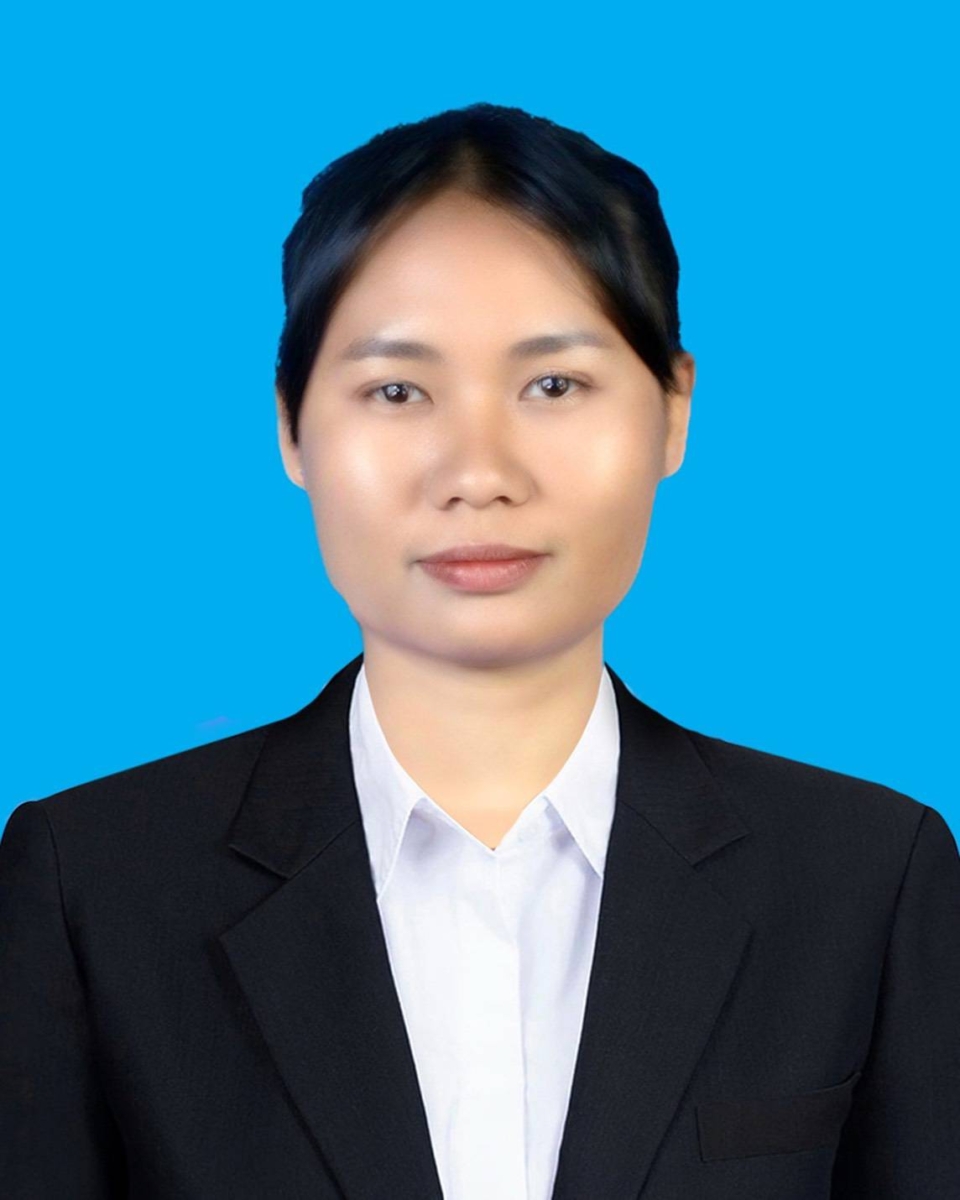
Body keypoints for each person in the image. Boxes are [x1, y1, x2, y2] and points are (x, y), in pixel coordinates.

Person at [1, 102, 958, 1200]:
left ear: (673, 411)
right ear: (292, 427)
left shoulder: (867, 881)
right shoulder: (92, 889)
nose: (478, 473)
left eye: (554, 385)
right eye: (397, 390)